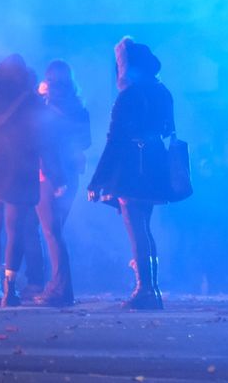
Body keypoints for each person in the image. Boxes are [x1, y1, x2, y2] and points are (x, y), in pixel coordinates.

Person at [88, 37, 175, 310]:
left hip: (131, 170)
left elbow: (114, 140)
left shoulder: (129, 95)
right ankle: (153, 288)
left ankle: (145, 290)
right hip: (155, 164)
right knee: (145, 228)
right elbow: (168, 130)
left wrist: (97, 180)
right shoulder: (163, 92)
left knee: (136, 229)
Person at [0, 54, 56, 308]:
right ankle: (10, 290)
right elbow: (45, 139)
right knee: (15, 230)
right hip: (20, 173)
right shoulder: (32, 102)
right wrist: (55, 174)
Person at [24, 60, 90, 306]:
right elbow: (86, 142)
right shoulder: (80, 108)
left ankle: (61, 289)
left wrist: (55, 178)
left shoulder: (45, 108)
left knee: (52, 232)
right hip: (72, 174)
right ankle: (60, 286)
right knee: (56, 231)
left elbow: (43, 145)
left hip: (49, 176)